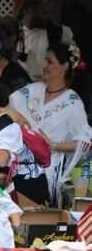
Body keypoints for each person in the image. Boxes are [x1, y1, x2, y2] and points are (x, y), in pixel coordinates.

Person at [10, 42, 92, 204]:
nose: (44, 66)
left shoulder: (72, 102)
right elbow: (5, 107)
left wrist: (53, 145)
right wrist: (20, 119)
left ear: (65, 67)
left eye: (50, 61)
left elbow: (84, 142)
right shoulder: (32, 90)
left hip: (46, 171)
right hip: (17, 165)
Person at [18, 0, 75, 82]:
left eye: (52, 12)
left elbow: (75, 56)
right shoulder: (14, 31)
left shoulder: (60, 31)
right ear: (30, 11)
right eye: (45, 13)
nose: (51, 17)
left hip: (48, 90)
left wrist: (61, 73)